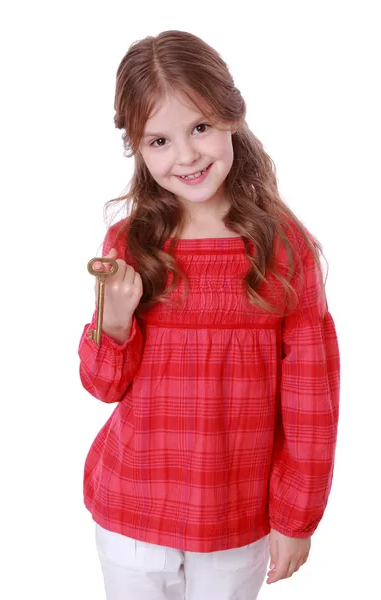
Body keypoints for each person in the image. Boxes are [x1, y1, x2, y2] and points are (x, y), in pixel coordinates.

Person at [78, 30, 340, 600]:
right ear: (138, 148)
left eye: (199, 127)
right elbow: (102, 385)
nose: (187, 155)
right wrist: (115, 321)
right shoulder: (131, 243)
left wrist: (298, 515)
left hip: (234, 518)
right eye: (159, 141)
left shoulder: (283, 248)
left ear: (231, 116)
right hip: (130, 511)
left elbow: (310, 396)